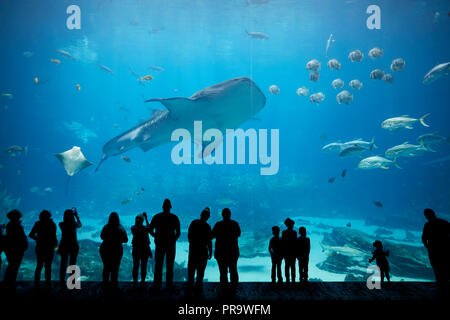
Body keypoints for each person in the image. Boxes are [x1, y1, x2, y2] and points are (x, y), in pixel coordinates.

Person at [149, 199, 180, 291]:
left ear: (162, 207)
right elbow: (178, 232)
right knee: (170, 265)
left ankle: (156, 285)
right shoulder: (174, 217)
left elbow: (150, 230)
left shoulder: (156, 217)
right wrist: (173, 240)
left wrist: (156, 236)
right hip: (171, 244)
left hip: (159, 244)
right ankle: (169, 285)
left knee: (158, 265)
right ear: (170, 207)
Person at [211, 208, 241, 295]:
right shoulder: (235, 224)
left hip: (221, 252)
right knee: (233, 270)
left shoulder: (218, 225)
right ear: (230, 214)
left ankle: (224, 289)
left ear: (222, 215)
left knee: (223, 272)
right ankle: (234, 289)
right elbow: (239, 234)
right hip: (233, 252)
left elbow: (211, 236)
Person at [422, 208, 449, 291]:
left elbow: (423, 238)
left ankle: (440, 287)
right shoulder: (444, 222)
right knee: (446, 267)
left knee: (437, 269)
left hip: (433, 250)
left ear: (426, 216)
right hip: (445, 249)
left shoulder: (428, 224)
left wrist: (428, 247)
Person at [187, 207, 212, 295]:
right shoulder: (207, 227)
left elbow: (189, 235)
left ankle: (189, 290)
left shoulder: (194, 223)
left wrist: (192, 245)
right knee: (200, 273)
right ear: (208, 217)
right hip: (202, 252)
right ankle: (198, 291)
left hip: (193, 250)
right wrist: (210, 251)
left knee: (191, 272)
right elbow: (209, 241)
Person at [100, 212, 128, 290]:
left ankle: (105, 286)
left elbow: (101, 237)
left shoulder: (105, 227)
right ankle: (114, 286)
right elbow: (126, 240)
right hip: (117, 250)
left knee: (106, 268)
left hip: (105, 249)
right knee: (115, 269)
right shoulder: (121, 228)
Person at [29, 210, 57, 287]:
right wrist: (55, 246)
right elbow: (54, 238)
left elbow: (31, 234)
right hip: (49, 248)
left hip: (39, 247)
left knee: (39, 265)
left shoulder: (37, 224)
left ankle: (36, 283)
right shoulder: (52, 224)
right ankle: (48, 283)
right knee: (48, 266)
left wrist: (37, 239)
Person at [3, 210, 28, 289]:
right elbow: (17, 238)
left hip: (14, 249)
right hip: (16, 249)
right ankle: (10, 284)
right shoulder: (15, 225)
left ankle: (8, 283)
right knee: (14, 266)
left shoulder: (11, 225)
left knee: (12, 266)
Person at [58, 208, 82, 287]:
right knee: (72, 264)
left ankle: (62, 281)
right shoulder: (74, 224)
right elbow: (80, 224)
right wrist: (76, 216)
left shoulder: (61, 224)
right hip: (73, 246)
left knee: (63, 264)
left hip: (64, 245)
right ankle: (72, 283)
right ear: (72, 216)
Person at [131, 212, 152, 287]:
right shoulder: (135, 228)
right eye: (137, 219)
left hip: (138, 250)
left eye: (138, 219)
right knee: (140, 266)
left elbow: (149, 228)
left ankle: (139, 282)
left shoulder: (133, 228)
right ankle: (138, 282)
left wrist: (145, 218)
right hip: (143, 250)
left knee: (139, 266)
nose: (137, 220)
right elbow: (149, 228)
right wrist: (146, 218)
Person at [281, 218, 297, 284]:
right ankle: (293, 280)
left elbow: (283, 243)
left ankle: (287, 280)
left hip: (286, 252)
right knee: (293, 266)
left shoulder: (284, 232)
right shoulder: (294, 232)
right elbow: (295, 243)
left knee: (287, 266)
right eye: (292, 224)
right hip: (293, 252)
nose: (293, 225)